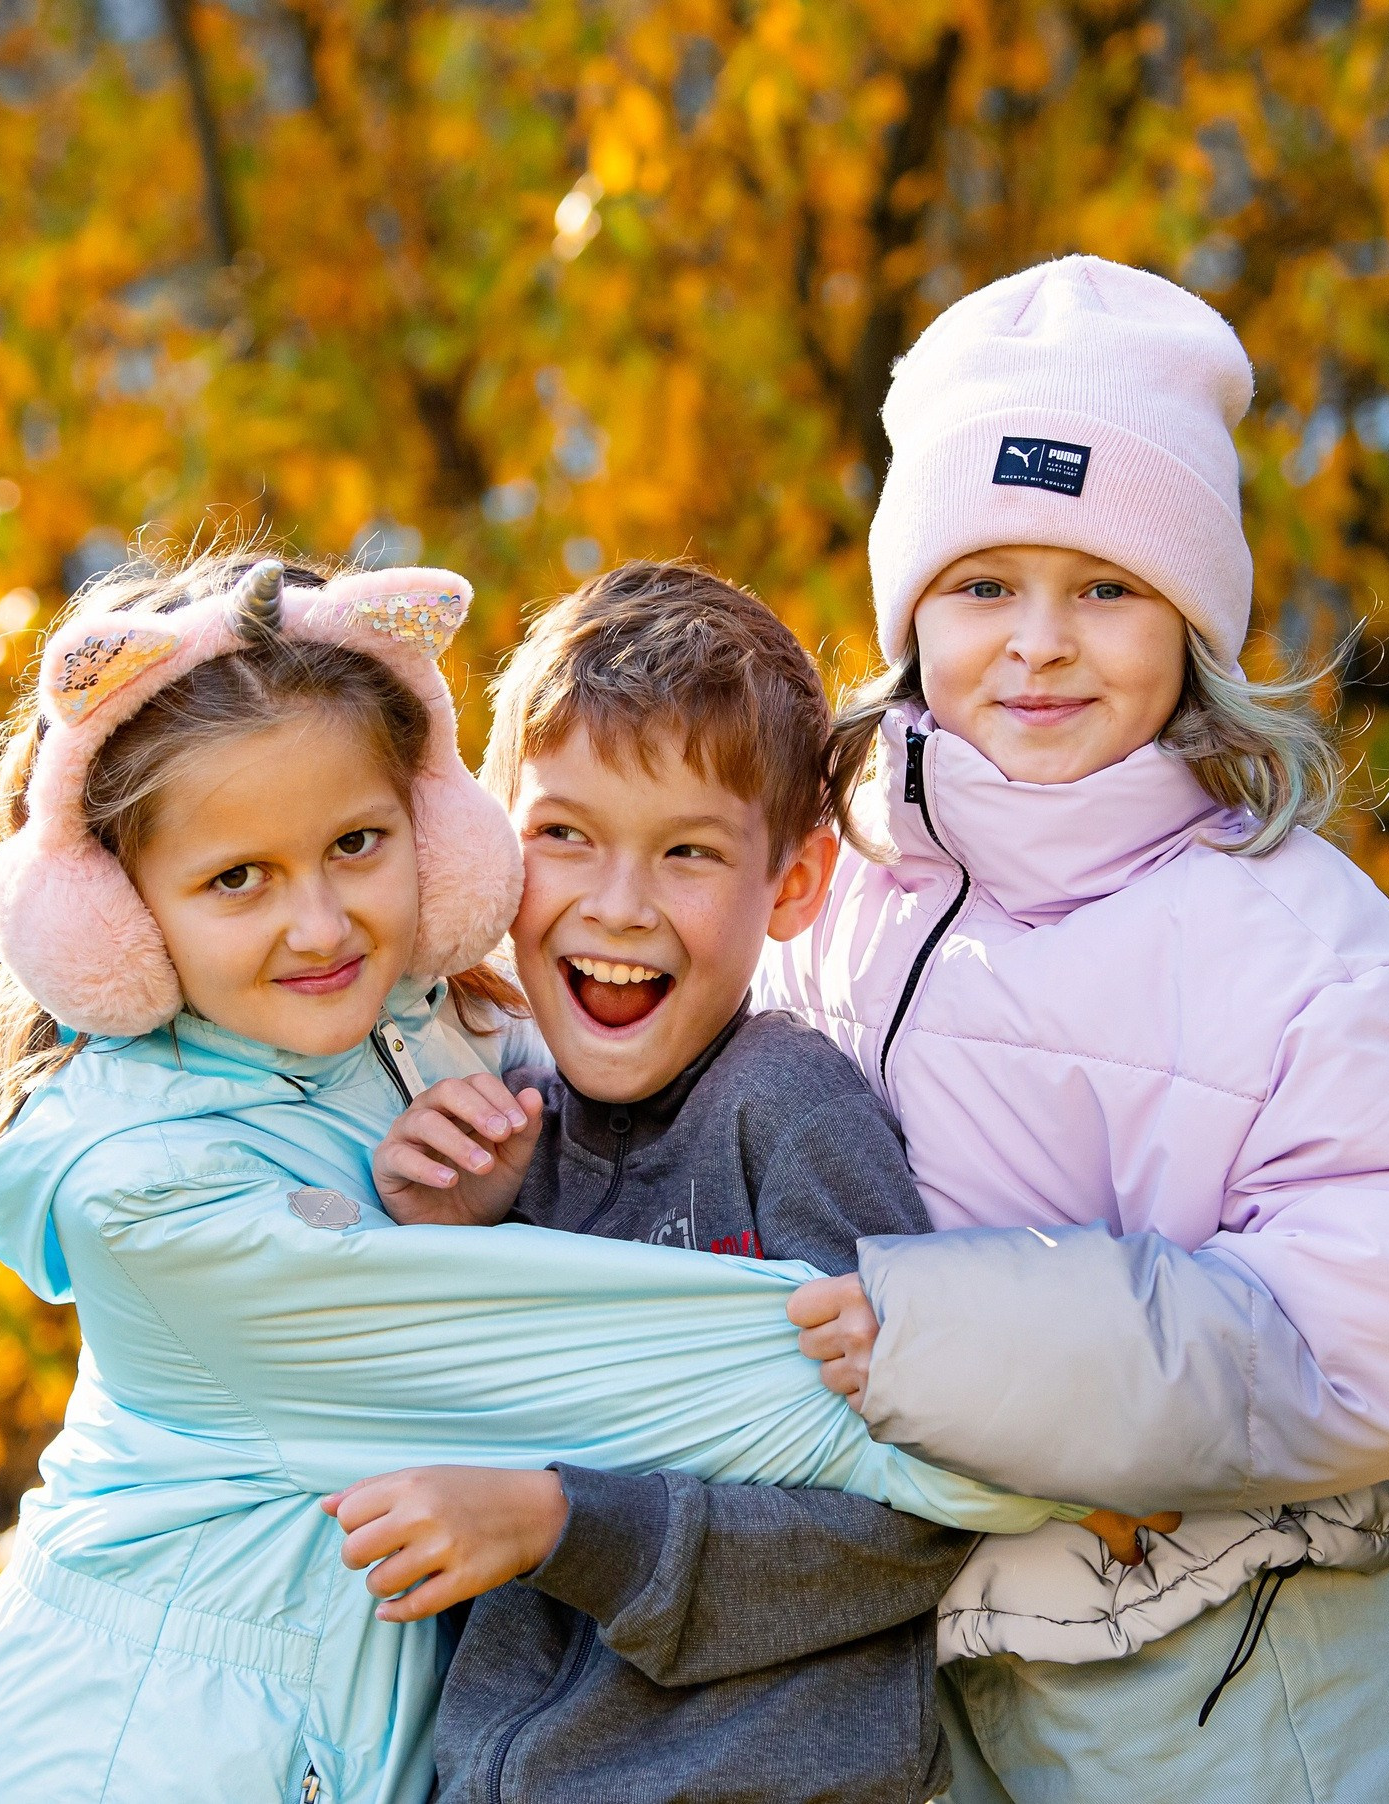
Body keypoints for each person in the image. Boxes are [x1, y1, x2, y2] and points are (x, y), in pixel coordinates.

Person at [0, 547, 1063, 1804]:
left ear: (442, 841)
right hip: (146, 1749)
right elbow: (917, 1429)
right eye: (236, 876)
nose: (320, 924)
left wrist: (474, 1226)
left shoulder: (461, 1051)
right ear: (113, 919)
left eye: (357, 842)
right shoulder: (147, 1195)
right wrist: (1006, 1381)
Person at [770, 255, 1389, 1802]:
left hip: (1229, 1694)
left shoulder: (1304, 951)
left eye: (1107, 588)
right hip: (912, 1679)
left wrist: (960, 1340)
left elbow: (1383, 1324)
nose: (1040, 642)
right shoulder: (820, 890)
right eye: (984, 585)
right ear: (909, 614)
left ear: (1191, 621)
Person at [350, 562, 1144, 1804]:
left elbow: (915, 1516)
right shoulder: (498, 1121)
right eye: (564, 834)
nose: (618, 906)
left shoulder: (785, 1110)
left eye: (687, 851)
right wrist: (448, 1236)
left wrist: (567, 1527)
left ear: (793, 882)